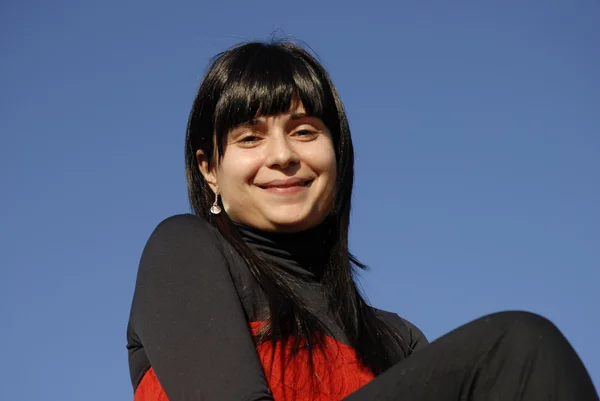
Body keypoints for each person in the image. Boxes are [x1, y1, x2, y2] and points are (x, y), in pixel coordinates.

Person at [126, 41, 598, 401]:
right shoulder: (185, 251)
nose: (283, 155)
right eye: (250, 138)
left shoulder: (399, 340)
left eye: (305, 131)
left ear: (337, 154)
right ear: (210, 169)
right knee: (517, 350)